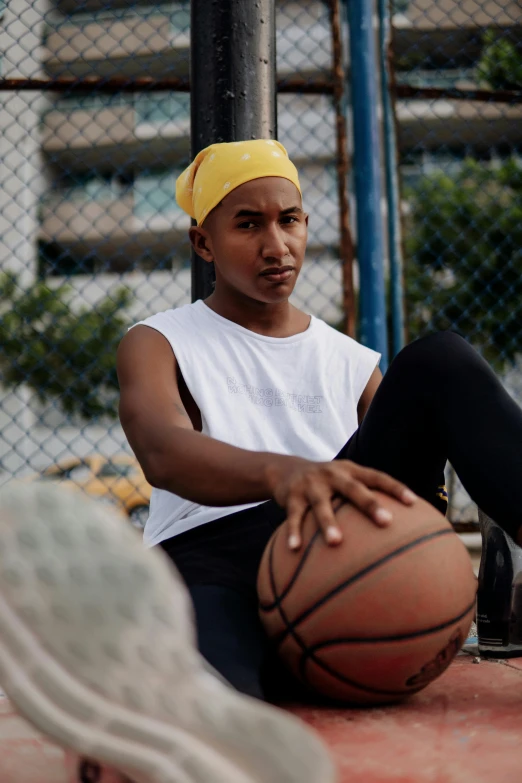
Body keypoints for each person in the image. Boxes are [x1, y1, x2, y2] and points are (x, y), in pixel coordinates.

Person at [0, 138, 521, 782]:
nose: (276, 245)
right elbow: (163, 452)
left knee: (440, 359)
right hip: (219, 559)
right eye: (248, 224)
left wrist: (420, 558)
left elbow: (408, 484)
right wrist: (286, 471)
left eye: (289, 220)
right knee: (210, 729)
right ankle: (144, 701)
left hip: (340, 558)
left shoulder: (351, 362)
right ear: (203, 244)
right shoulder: (158, 340)